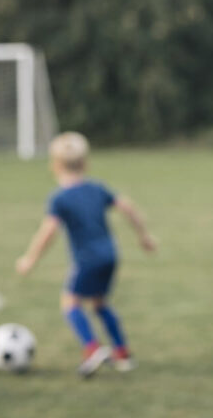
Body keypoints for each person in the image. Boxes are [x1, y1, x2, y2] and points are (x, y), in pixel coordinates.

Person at [16, 131, 156, 378]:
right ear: (86, 163)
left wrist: (30, 259)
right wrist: (143, 236)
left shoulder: (59, 198)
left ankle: (92, 349)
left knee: (70, 303)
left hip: (87, 260)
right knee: (100, 303)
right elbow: (127, 207)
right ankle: (122, 353)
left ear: (55, 165)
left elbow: (48, 232)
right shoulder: (97, 188)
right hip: (111, 255)